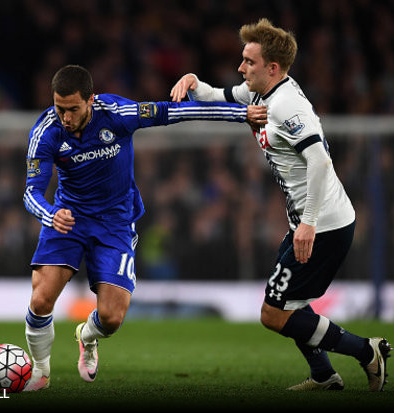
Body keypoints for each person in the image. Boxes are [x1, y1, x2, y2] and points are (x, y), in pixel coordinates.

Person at [170, 18, 392, 391]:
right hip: (308, 222)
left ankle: (366, 352)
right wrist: (193, 80)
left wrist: (308, 223)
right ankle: (324, 375)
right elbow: (217, 95)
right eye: (242, 60)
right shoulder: (259, 93)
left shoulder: (288, 106)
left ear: (273, 68)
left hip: (324, 225)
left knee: (273, 314)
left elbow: (321, 161)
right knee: (287, 301)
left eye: (249, 62)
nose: (241, 68)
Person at [22, 64, 267, 390]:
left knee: (111, 318)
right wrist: (50, 214)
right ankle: (40, 372)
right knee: (40, 300)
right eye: (59, 108)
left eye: (73, 109)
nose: (65, 117)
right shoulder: (46, 131)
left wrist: (240, 114)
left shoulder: (118, 113)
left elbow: (176, 113)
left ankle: (88, 336)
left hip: (115, 222)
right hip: (68, 218)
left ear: (91, 101)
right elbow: (31, 191)